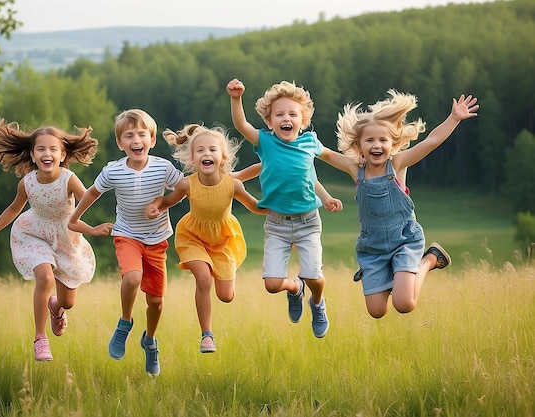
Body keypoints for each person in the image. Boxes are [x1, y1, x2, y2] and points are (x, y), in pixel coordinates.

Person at [319, 89, 479, 318]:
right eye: (370, 140)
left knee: (405, 303)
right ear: (359, 145)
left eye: (383, 140)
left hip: (403, 240)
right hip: (372, 248)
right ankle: (391, 274)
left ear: (392, 143)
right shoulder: (356, 170)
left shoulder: (398, 164)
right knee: (376, 311)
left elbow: (431, 142)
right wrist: (297, 140)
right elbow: (324, 154)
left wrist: (453, 118)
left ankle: (428, 260)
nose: (377, 145)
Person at [0, 118, 106, 361]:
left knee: (68, 302)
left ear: (63, 155)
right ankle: (40, 339)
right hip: (32, 233)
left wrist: (93, 228)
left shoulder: (69, 180)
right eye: (41, 149)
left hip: (65, 238)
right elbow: (13, 209)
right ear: (32, 155)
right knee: (44, 277)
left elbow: (87, 201)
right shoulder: (27, 183)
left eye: (53, 149)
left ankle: (56, 308)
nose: (47, 153)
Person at [68, 109, 183, 377]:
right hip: (127, 234)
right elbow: (92, 193)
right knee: (132, 278)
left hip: (157, 240)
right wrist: (75, 219)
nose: (136, 139)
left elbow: (184, 188)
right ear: (120, 144)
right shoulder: (114, 171)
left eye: (141, 134)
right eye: (129, 135)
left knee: (156, 302)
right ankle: (124, 322)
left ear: (151, 140)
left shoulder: (163, 168)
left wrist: (163, 202)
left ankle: (150, 341)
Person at [226, 79, 343, 338]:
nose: (286, 118)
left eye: (292, 114)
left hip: (308, 223)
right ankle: (294, 289)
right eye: (279, 114)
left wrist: (355, 171)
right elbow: (241, 125)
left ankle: (316, 302)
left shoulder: (309, 142)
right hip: (277, 225)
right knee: (271, 284)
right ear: (270, 122)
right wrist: (236, 99)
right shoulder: (266, 142)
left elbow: (325, 162)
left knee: (314, 276)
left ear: (303, 121)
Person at [145, 124, 266, 353]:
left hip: (223, 240)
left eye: (212, 150)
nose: (206, 154)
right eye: (200, 151)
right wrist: (155, 206)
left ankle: (219, 270)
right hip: (193, 237)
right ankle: (207, 335)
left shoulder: (233, 184)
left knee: (226, 296)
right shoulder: (186, 184)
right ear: (192, 159)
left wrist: (278, 208)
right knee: (203, 278)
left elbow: (255, 206)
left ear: (223, 157)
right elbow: (168, 201)